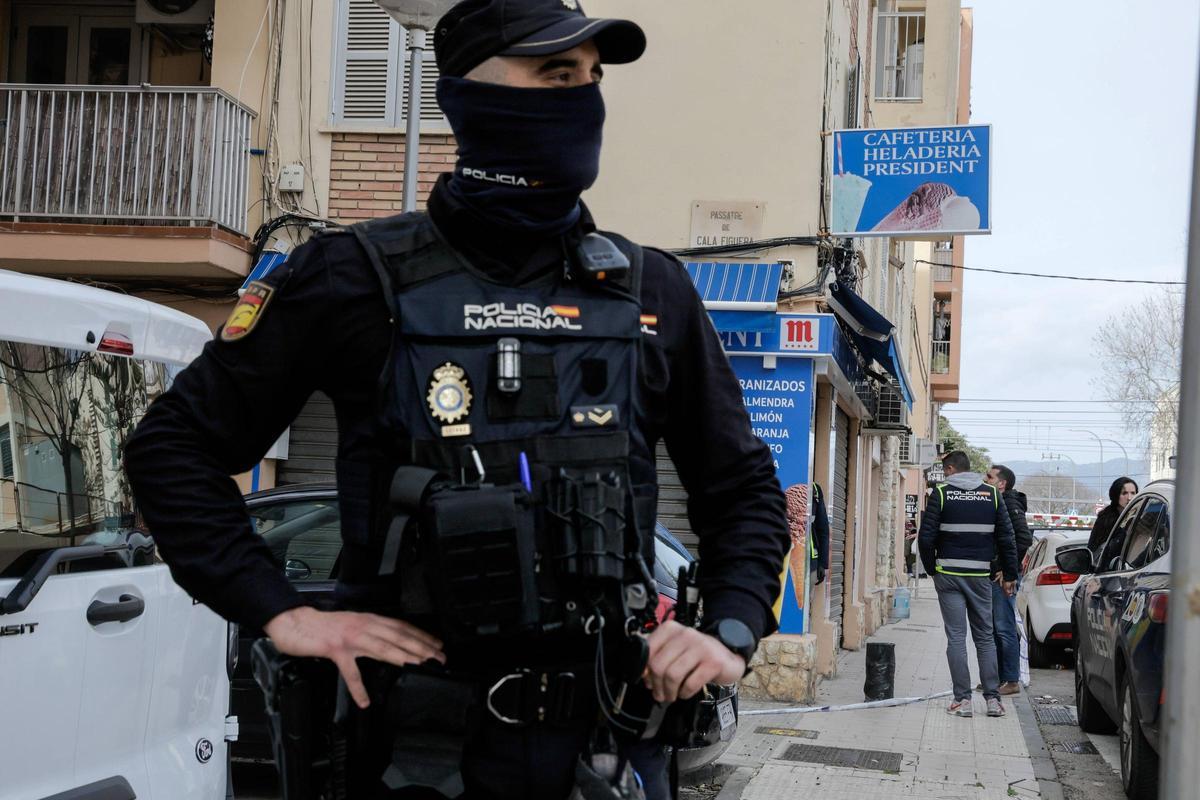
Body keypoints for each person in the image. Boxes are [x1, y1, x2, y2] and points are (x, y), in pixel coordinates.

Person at [123, 2, 790, 798]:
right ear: (466, 95)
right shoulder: (350, 278)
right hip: (417, 752)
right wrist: (282, 611)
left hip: (608, 750)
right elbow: (173, 450)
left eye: (590, 79)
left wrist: (732, 628)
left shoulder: (655, 292)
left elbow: (743, 490)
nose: (581, 98)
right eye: (553, 74)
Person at [918, 451, 1018, 719]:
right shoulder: (992, 494)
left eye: (946, 471)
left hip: (948, 575)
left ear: (952, 469)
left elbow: (925, 538)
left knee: (956, 638)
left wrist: (932, 570)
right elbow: (1007, 538)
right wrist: (1010, 574)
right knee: (985, 638)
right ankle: (993, 700)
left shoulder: (941, 493)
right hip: (979, 577)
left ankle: (962, 701)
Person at [983, 464, 1032, 694]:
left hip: (1005, 577)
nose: (985, 479)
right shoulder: (996, 501)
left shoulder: (1010, 503)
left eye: (989, 476)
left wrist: (1007, 571)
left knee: (1004, 627)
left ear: (1001, 483)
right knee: (995, 628)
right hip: (996, 574)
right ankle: (998, 679)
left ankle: (1011, 681)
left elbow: (1023, 539)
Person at [1088, 476, 1139, 557]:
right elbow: (1094, 548)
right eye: (1124, 493)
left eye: (1133, 493)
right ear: (1116, 495)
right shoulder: (1105, 518)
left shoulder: (1140, 516)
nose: (1129, 498)